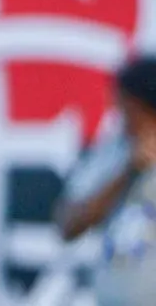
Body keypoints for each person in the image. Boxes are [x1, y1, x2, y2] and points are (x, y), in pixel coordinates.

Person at [53, 55, 156, 305]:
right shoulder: (113, 153)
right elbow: (68, 224)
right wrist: (128, 171)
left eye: (125, 103)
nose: (118, 110)